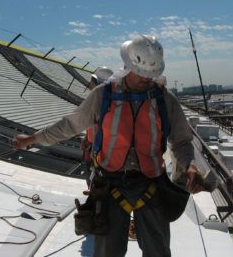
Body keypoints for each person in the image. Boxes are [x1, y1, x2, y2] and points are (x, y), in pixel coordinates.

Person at [13, 35, 204, 257]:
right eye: (142, 74)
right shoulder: (104, 95)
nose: (147, 79)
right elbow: (70, 124)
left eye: (150, 75)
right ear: (129, 66)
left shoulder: (164, 99)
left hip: (151, 183)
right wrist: (32, 139)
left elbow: (181, 141)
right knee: (107, 252)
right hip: (111, 184)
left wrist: (189, 166)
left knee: (158, 251)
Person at [81, 67, 113, 187]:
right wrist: (86, 138)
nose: (90, 86)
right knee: (91, 182)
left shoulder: (107, 105)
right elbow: (92, 126)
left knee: (97, 185)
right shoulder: (97, 102)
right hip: (91, 149)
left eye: (93, 83)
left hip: (100, 154)